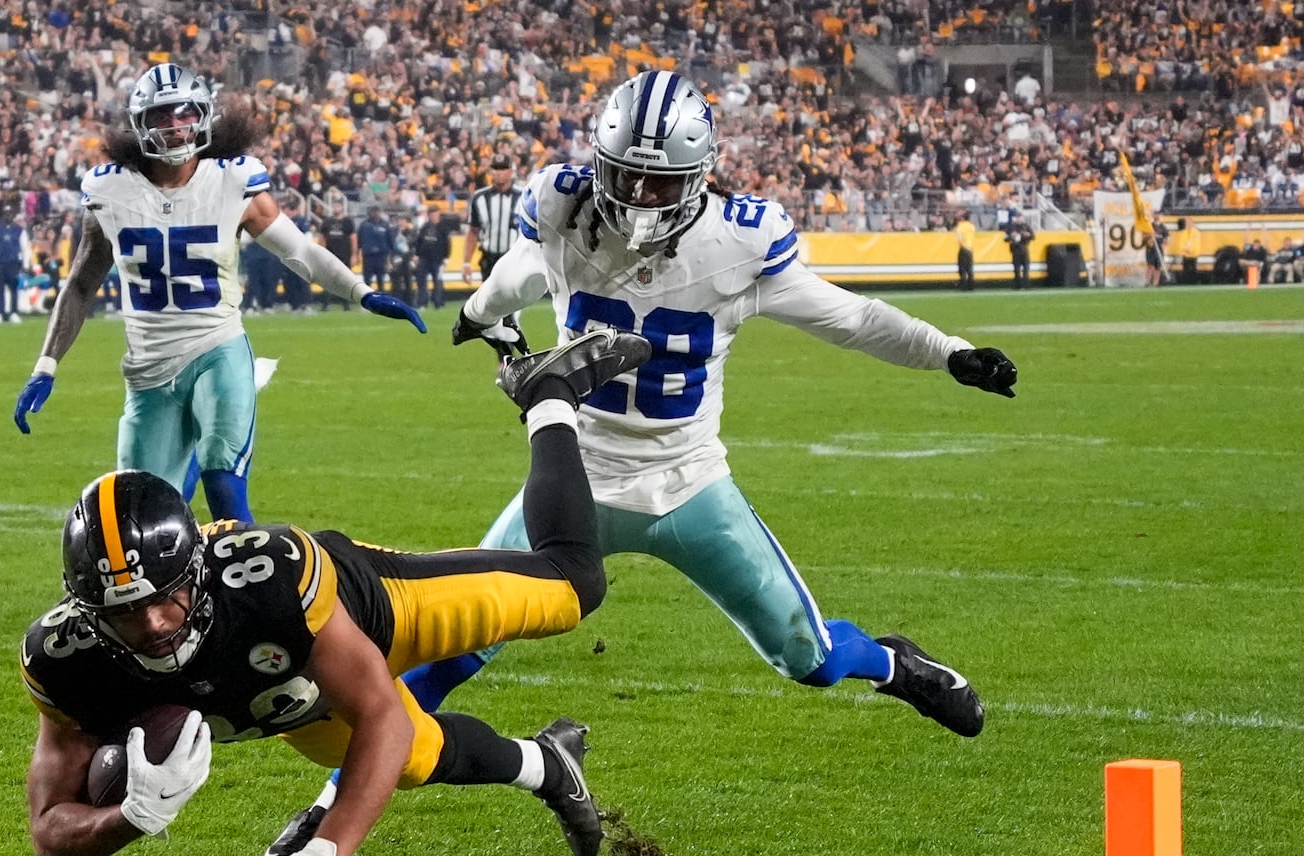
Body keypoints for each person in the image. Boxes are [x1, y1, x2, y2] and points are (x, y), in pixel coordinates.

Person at [391, 72, 1016, 755]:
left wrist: (947, 352)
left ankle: (894, 663)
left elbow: (852, 317)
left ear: (700, 175)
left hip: (689, 483)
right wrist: (482, 314)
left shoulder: (739, 241)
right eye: (625, 177)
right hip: (578, 482)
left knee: (809, 657)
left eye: (658, 184)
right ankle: (327, 822)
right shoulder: (564, 208)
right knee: (457, 647)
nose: (636, 199)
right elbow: (521, 270)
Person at [21, 328, 651, 856]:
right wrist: (130, 818)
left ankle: (548, 397)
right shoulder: (66, 659)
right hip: (289, 697)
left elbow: (381, 713)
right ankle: (548, 762)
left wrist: (325, 854)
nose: (154, 623)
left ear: (196, 571)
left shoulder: (265, 580)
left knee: (572, 588)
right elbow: (49, 829)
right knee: (414, 759)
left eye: (165, 598)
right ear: (88, 610)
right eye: (125, 612)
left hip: (370, 611)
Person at [12, 64, 424, 524]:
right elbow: (81, 284)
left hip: (217, 348)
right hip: (147, 369)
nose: (174, 126)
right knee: (142, 514)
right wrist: (45, 366)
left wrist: (361, 292)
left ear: (203, 116)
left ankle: (247, 594)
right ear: (140, 125)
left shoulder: (233, 181)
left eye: (184, 114)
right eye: (161, 117)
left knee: (225, 491)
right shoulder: (110, 190)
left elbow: (300, 251)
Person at [462, 154, 521, 284]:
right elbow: (473, 232)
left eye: (503, 168)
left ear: (511, 172)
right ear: (490, 172)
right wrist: (466, 263)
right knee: (488, 302)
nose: (499, 173)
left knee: (512, 301)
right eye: (496, 169)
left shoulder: (523, 197)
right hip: (488, 259)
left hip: (513, 259)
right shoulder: (479, 198)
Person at [315, 199, 357, 310]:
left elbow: (353, 238)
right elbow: (322, 238)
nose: (336, 208)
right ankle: (325, 304)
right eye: (334, 206)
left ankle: (346, 305)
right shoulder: (327, 222)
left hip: (345, 255)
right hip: (330, 256)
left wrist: (354, 255)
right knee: (328, 280)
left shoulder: (347, 222)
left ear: (342, 207)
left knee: (345, 280)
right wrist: (321, 253)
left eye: (338, 206)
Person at [0, 210, 29, 323]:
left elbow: (25, 248)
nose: (8, 216)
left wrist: (26, 264)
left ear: (13, 216)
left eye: (10, 214)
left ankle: (14, 312)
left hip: (13, 263)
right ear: (2, 216)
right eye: (5, 214)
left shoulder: (19, 230)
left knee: (13, 289)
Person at [413, 204, 453, 308]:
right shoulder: (425, 227)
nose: (433, 216)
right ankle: (422, 303)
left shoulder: (443, 227)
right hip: (424, 259)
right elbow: (418, 242)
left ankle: (438, 304)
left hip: (438, 259)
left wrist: (446, 257)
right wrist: (416, 255)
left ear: (438, 214)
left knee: (438, 282)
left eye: (435, 214)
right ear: (428, 215)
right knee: (421, 282)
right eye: (431, 214)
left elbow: (447, 243)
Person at [355, 204, 393, 293]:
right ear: (369, 213)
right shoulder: (364, 225)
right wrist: (357, 254)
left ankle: (381, 301)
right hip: (368, 256)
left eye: (377, 211)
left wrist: (389, 256)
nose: (375, 213)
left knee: (381, 280)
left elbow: (390, 241)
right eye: (373, 211)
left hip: (381, 256)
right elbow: (359, 241)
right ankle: (366, 301)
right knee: (367, 281)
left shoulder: (385, 224)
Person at [1005, 214, 1033, 289]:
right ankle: (1018, 286)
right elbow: (1005, 238)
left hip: (1024, 249)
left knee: (1026, 269)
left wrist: (1028, 235)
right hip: (1015, 249)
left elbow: (1033, 236)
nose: (1019, 219)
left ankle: (1026, 285)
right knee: (1016, 269)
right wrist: (1011, 236)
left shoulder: (1026, 226)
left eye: (1021, 218)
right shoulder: (1011, 227)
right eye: (1018, 218)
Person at [954, 210, 975, 291]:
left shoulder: (960, 227)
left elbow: (960, 239)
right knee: (970, 268)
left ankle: (963, 285)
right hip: (970, 248)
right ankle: (971, 285)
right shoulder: (972, 226)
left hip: (964, 248)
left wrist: (964, 246)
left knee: (962, 268)